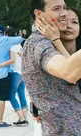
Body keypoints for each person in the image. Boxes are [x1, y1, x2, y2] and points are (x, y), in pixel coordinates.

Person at [22, 0, 81, 135]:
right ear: (39, 14)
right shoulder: (37, 43)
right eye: (56, 9)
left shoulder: (52, 40)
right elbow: (68, 71)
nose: (63, 14)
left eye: (64, 7)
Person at [33, 7, 81, 136]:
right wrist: (36, 107)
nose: (69, 26)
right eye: (64, 21)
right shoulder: (47, 54)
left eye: (74, 22)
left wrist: (56, 40)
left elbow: (72, 74)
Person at [0, 34, 28, 126]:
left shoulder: (12, 46)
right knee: (21, 94)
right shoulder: (19, 45)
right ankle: (24, 118)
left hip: (15, 73)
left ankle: (22, 118)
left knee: (11, 96)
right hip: (22, 72)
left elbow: (12, 60)